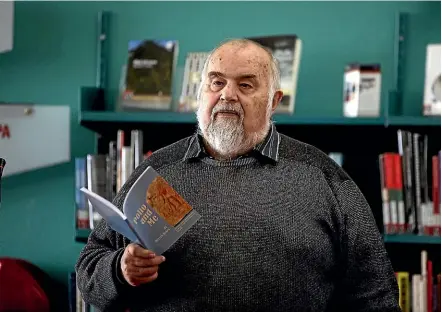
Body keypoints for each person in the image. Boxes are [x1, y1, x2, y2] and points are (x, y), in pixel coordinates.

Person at [75, 38, 401, 312]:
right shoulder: (156, 172)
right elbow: (90, 270)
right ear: (200, 93)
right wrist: (119, 270)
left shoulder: (323, 177)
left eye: (245, 84)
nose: (227, 94)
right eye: (216, 82)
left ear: (274, 102)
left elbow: (374, 294)